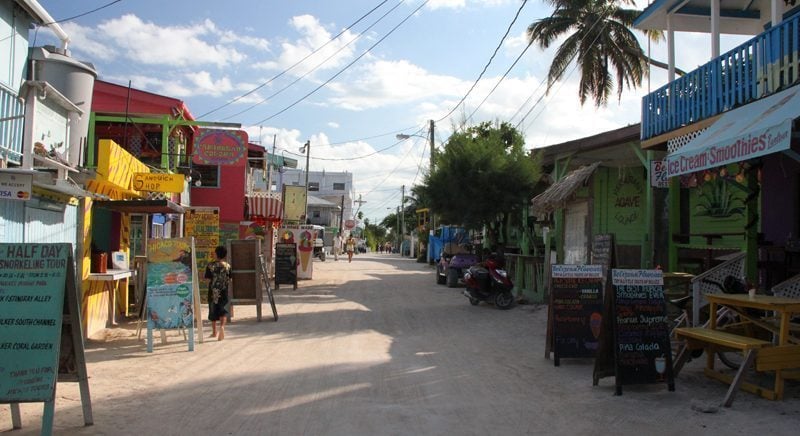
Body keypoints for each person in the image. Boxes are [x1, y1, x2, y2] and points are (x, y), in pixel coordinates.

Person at [205, 245, 231, 341]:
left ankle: (214, 332)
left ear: (216, 254)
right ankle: (222, 328)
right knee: (222, 311)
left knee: (213, 311)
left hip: (213, 293)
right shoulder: (228, 266)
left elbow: (207, 280)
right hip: (224, 291)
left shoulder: (210, 265)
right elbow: (229, 279)